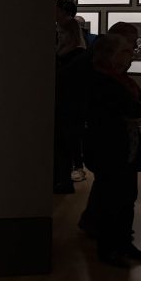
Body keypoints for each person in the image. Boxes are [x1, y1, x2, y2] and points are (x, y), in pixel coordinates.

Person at [83, 34, 141, 268]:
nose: (131, 54)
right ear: (110, 54)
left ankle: (123, 243)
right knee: (110, 199)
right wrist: (138, 110)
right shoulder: (101, 80)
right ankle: (108, 248)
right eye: (125, 51)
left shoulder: (123, 80)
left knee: (127, 198)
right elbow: (133, 109)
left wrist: (138, 110)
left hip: (127, 149)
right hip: (109, 149)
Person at [54, 20, 89, 193]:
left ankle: (66, 179)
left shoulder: (79, 55)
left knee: (67, 143)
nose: (60, 36)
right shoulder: (64, 53)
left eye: (62, 33)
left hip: (71, 106)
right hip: (63, 104)